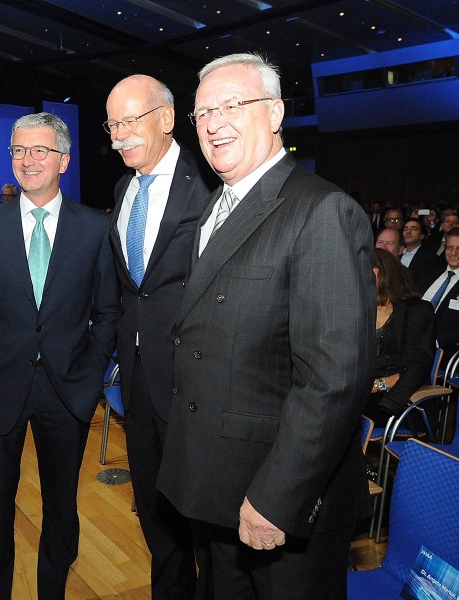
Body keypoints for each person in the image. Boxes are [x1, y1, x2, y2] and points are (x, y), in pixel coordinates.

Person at [158, 53, 375, 600]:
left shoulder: (321, 210)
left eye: (232, 104)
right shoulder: (216, 208)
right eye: (201, 111)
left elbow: (334, 379)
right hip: (215, 487)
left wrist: (277, 497)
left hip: (280, 502)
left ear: (276, 112)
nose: (212, 122)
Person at [0, 112, 119, 599]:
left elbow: (108, 313)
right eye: (18, 150)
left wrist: (89, 377)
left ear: (63, 159)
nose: (27, 160)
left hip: (68, 392)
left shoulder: (93, 228)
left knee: (61, 509)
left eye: (40, 150)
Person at [104, 73, 212, 599]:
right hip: (138, 383)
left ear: (167, 119)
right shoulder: (124, 188)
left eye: (130, 121)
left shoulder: (212, 185)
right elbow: (134, 293)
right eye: (112, 125)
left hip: (195, 381)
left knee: (205, 515)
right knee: (152, 505)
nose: (119, 135)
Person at [364, 249, 435, 425]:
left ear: (384, 272)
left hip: (395, 398)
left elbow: (419, 365)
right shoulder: (360, 308)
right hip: (357, 392)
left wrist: (379, 385)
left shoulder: (417, 311)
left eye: (366, 270)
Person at [418, 229, 459, 353]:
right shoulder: (429, 272)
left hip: (440, 351)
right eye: (449, 247)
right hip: (409, 339)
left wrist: (430, 341)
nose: (453, 252)